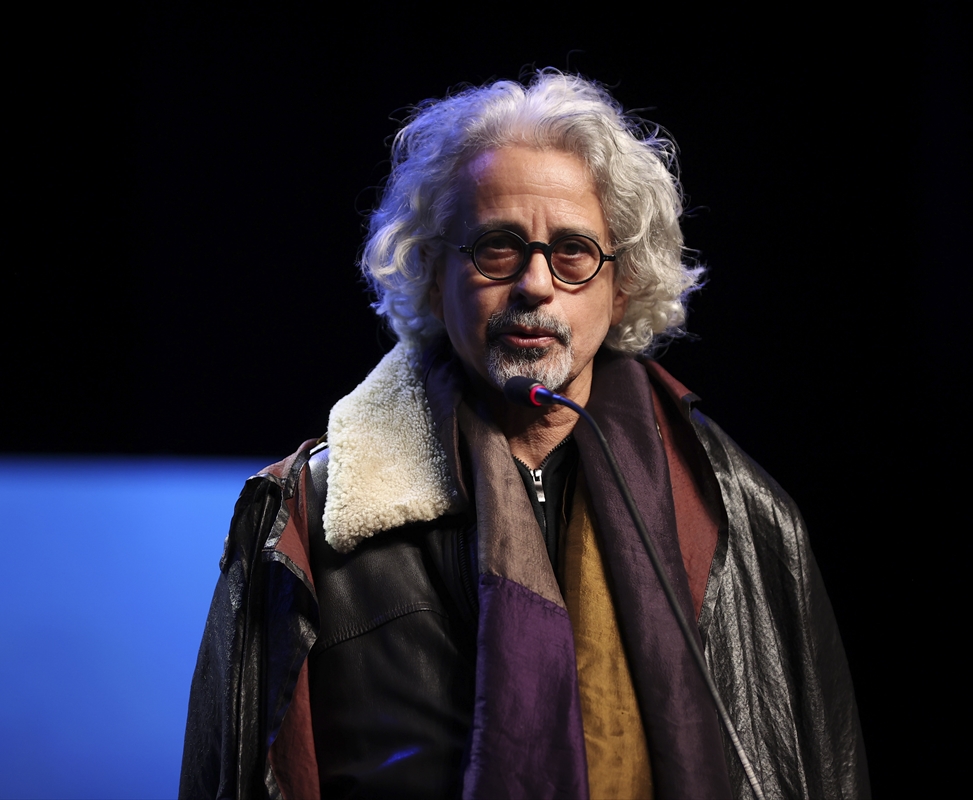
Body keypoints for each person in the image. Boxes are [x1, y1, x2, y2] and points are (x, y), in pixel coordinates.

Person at [180, 70, 869, 800]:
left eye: (573, 251)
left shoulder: (738, 515)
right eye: (498, 247)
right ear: (434, 274)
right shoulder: (302, 517)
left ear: (622, 285)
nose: (536, 284)